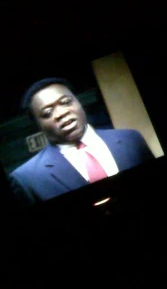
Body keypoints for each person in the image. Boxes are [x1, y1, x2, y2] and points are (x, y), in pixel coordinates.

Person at [9, 78, 155, 205]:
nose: (61, 113)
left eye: (66, 102)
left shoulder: (131, 139)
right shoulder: (26, 179)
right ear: (38, 125)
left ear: (78, 102)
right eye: (47, 113)